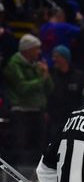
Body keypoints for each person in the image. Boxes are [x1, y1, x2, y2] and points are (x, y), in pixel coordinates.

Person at [3, 34, 52, 167]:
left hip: (38, 111)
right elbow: (22, 87)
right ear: (27, 50)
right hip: (21, 112)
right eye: (36, 49)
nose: (39, 51)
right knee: (21, 146)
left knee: (39, 147)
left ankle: (36, 176)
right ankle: (18, 179)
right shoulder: (14, 65)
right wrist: (42, 79)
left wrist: (46, 76)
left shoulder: (36, 65)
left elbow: (49, 89)